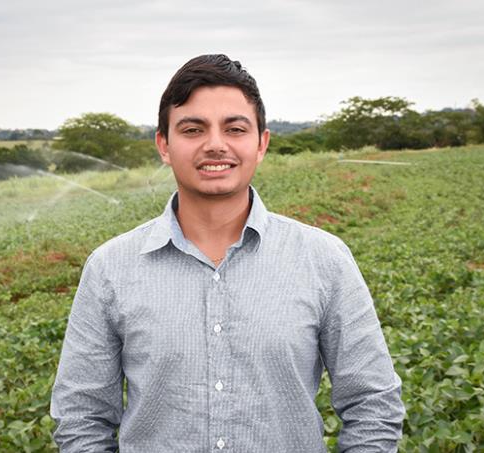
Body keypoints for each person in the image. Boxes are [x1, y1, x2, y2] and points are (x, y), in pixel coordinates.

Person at [50, 54, 405, 452]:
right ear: (164, 145)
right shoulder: (110, 269)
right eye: (193, 129)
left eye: (235, 128)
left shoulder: (324, 259)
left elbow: (373, 406)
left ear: (261, 144)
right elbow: (82, 416)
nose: (215, 145)